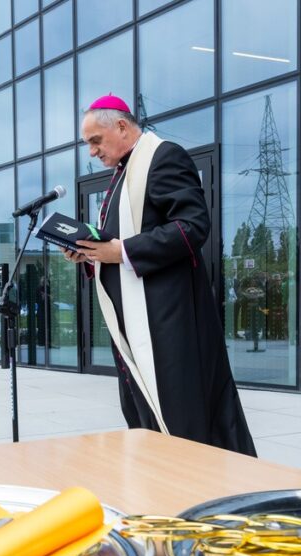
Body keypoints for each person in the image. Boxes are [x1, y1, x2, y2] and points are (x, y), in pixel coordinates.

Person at [65, 95, 256, 457]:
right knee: (145, 420)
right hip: (139, 326)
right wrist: (92, 255)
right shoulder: (123, 174)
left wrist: (120, 251)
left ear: (121, 126)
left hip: (171, 323)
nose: (92, 152)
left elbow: (192, 226)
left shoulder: (163, 157)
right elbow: (119, 244)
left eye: (95, 140)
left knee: (183, 421)